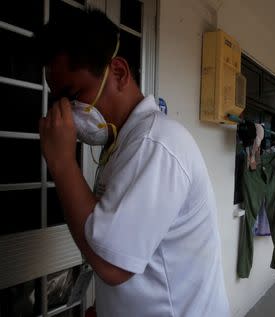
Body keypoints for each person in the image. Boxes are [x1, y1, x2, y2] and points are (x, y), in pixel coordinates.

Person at [35, 9, 230, 317]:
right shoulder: (125, 144)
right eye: (59, 100)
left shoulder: (156, 143)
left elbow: (112, 264)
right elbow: (125, 244)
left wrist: (61, 164)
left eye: (74, 95)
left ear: (119, 73)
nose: (69, 113)